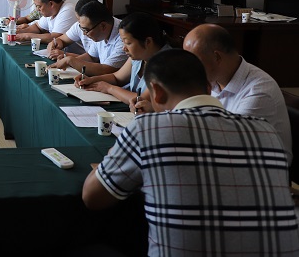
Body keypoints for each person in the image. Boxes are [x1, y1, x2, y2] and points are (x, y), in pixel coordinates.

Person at [83, 49, 299, 256]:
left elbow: (92, 197)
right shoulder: (266, 131)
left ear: (156, 92)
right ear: (209, 87)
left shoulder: (147, 128)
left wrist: (114, 153)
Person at [182, 23, 292, 161]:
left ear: (217, 57)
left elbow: (225, 141)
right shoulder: (212, 80)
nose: (189, 68)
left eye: (194, 62)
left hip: (265, 168)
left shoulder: (259, 92)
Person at [75, 11, 170, 104]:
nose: (124, 48)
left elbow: (142, 100)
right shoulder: (140, 55)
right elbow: (117, 78)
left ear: (148, 42)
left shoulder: (166, 63)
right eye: (123, 42)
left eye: (128, 43)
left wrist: (109, 88)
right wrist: (91, 80)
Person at [48, 0, 128, 76]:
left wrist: (70, 60)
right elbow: (91, 57)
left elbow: (106, 70)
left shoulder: (124, 38)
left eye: (86, 30)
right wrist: (67, 61)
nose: (84, 34)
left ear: (103, 26)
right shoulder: (100, 31)